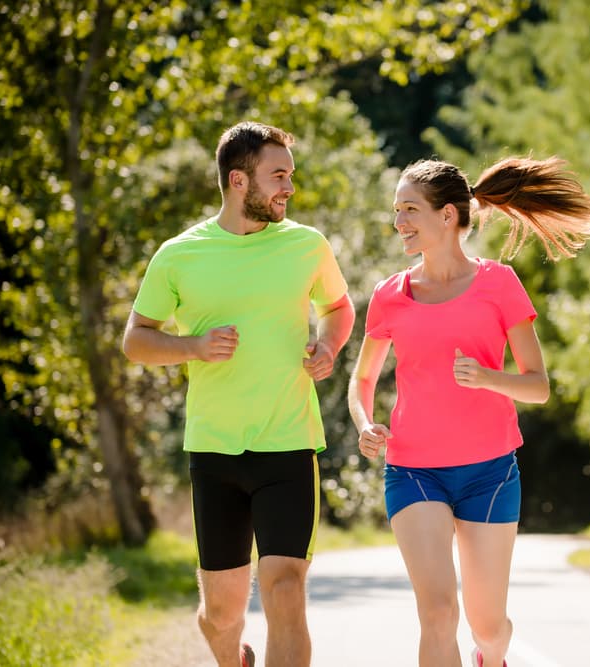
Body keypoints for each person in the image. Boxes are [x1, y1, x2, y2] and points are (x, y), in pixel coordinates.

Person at [348, 156, 590, 667]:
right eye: (397, 210)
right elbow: (364, 378)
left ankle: (492, 656)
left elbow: (538, 386)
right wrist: (365, 424)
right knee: (438, 613)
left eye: (410, 209)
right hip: (413, 471)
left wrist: (488, 378)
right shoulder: (390, 296)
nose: (399, 222)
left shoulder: (499, 284)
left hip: (489, 473)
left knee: (487, 627)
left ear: (447, 216)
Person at [123, 121, 355, 667]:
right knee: (221, 613)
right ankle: (233, 660)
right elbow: (136, 341)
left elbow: (339, 308)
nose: (289, 189)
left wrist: (328, 344)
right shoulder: (179, 254)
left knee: (286, 590)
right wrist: (194, 346)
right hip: (215, 451)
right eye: (278, 176)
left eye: (290, 177)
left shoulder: (307, 245)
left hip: (289, 443)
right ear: (237, 180)